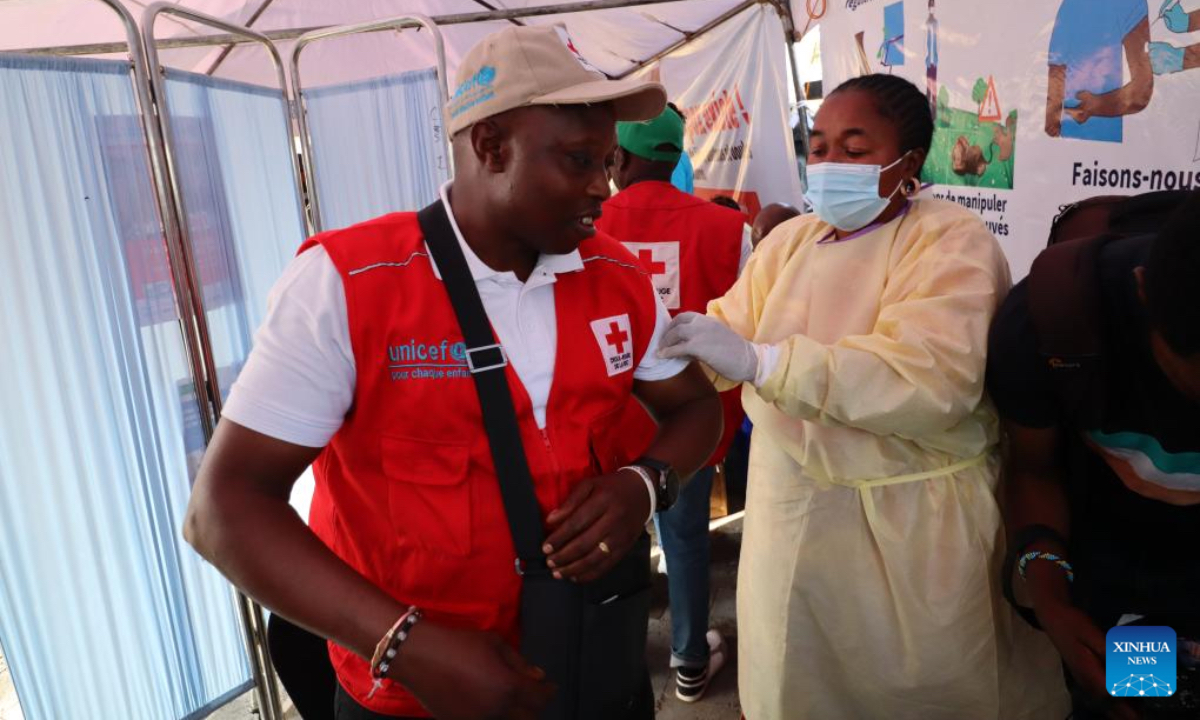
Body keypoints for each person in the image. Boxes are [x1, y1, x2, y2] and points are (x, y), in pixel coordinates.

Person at [183, 25, 723, 720]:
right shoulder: (347, 284)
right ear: (491, 146)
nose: (603, 186)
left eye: (610, 160)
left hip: (592, 666)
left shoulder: (617, 276)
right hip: (411, 697)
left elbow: (696, 410)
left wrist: (644, 485)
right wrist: (406, 645)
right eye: (580, 159)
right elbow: (222, 510)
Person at [658, 73, 1069, 719]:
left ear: (908, 163)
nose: (828, 165)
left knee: (925, 689)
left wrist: (765, 363)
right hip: (789, 513)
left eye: (854, 150)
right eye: (819, 147)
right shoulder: (791, 242)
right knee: (796, 683)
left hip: (908, 523)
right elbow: (730, 332)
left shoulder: (949, 240)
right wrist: (674, 354)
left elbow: (931, 377)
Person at [987, 190, 1200, 720]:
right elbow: (1033, 470)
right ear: (1144, 293)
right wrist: (1052, 600)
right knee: (1127, 705)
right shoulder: (1053, 321)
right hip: (1114, 576)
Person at [596, 106, 749, 703]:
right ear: (675, 155)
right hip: (687, 422)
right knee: (685, 540)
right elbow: (743, 325)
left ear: (621, 158)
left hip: (606, 418)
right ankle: (689, 660)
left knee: (608, 540)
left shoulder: (582, 220)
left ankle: (617, 658)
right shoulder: (725, 228)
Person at [1046, 0, 1154, 143]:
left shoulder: (1071, 5)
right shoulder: (1132, 4)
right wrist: (1094, 105)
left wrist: (1090, 107)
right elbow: (1140, 93)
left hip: (1072, 140)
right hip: (1108, 148)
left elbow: (1056, 71)